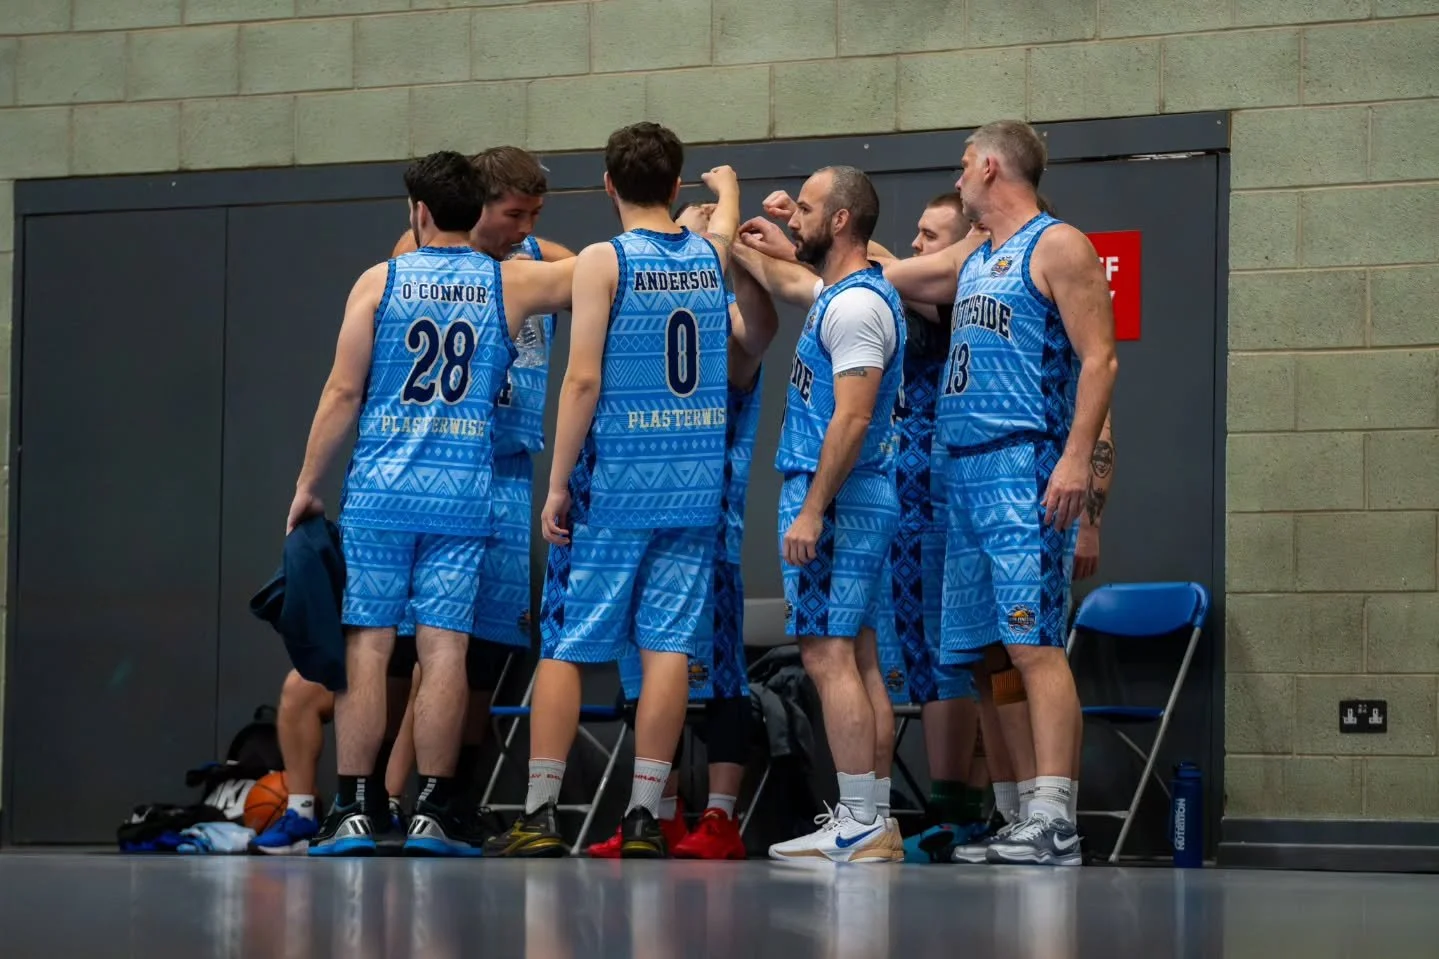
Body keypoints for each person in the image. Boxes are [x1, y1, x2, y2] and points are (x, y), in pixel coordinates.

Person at [286, 150, 576, 857]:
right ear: (477, 208)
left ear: (418, 210)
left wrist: (307, 486)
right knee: (445, 648)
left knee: (370, 644)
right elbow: (604, 272)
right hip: (465, 492)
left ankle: (353, 806)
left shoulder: (378, 281)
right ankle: (435, 809)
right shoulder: (510, 284)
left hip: (381, 490)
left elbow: (342, 393)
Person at [484, 123, 741, 859]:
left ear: (605, 184)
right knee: (666, 645)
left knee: (566, 642)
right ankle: (641, 815)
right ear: (674, 184)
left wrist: (558, 482)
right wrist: (724, 195)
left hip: (615, 481)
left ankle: (539, 809)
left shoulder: (603, 260)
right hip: (692, 481)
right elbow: (720, 226)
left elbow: (583, 378)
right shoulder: (707, 257)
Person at [882, 120, 1118, 866]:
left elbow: (1101, 360)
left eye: (960, 167)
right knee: (984, 654)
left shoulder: (1057, 244)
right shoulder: (975, 255)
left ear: (988, 165)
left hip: (1024, 463)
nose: (956, 181)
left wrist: (1076, 460)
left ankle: (1054, 816)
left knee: (1032, 643)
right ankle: (1014, 814)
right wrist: (794, 250)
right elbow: (884, 278)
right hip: (964, 471)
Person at [589, 201, 779, 860]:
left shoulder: (721, 328)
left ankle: (720, 819)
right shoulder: (628, 303)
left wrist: (738, 252)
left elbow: (759, 329)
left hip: (706, 527)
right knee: (639, 679)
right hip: (630, 516)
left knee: (719, 679)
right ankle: (657, 814)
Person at [730, 165, 907, 863]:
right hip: (849, 497)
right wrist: (764, 234)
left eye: (805, 208)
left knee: (825, 653)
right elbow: (787, 270)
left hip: (838, 498)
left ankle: (859, 819)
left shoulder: (856, 307)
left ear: (839, 221)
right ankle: (874, 818)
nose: (792, 216)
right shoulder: (842, 294)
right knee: (856, 655)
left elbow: (853, 419)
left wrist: (811, 509)